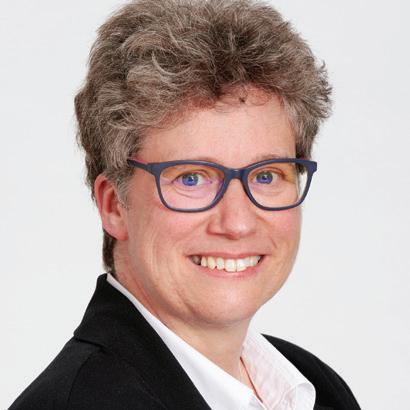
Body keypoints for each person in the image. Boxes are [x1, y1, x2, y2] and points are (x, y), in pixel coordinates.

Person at [10, 0, 361, 409]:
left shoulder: (316, 388)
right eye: (192, 178)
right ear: (114, 205)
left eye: (266, 175)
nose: (237, 223)